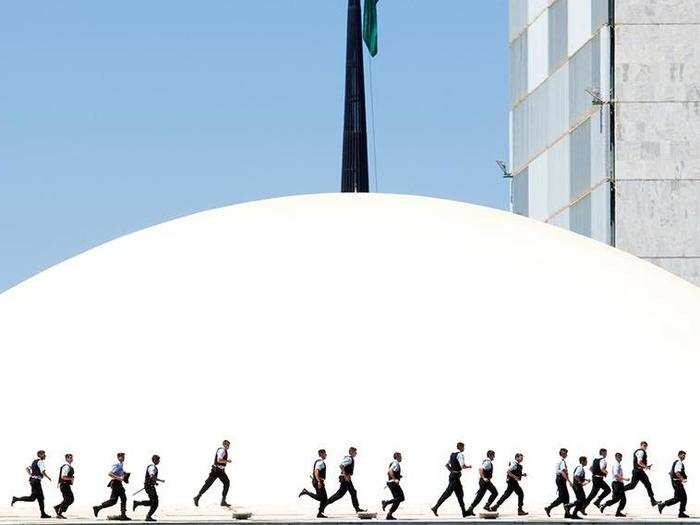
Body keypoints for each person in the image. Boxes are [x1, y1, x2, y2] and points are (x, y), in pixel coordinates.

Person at [431, 442, 472, 517]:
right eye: (463, 447)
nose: (464, 448)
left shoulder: (452, 454)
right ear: (460, 447)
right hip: (455, 478)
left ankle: (464, 512)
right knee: (447, 493)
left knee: (460, 494)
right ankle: (435, 507)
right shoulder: (460, 455)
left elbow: (447, 465)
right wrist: (468, 466)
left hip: (453, 476)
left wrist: (452, 471)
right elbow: (462, 466)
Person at [11, 450, 52, 518]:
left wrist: (31, 475)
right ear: (39, 455)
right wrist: (48, 477)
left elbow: (27, 468)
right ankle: (16, 499)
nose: (45, 456)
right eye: (43, 454)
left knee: (40, 498)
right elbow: (43, 471)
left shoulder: (34, 461)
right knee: (33, 498)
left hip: (33, 481)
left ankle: (43, 514)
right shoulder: (41, 462)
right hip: (36, 482)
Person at [325, 447, 366, 513]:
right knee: (340, 494)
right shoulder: (349, 458)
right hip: (345, 479)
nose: (356, 453)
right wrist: (345, 475)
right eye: (355, 452)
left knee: (353, 492)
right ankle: (324, 504)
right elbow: (341, 465)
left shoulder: (350, 458)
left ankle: (357, 509)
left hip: (347, 478)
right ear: (351, 452)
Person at [194, 440, 232, 507]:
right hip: (216, 470)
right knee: (208, 484)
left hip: (221, 471)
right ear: (224, 444)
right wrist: (227, 461)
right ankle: (197, 497)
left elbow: (220, 461)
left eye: (228, 445)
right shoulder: (222, 450)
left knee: (227, 483)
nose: (227, 446)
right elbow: (219, 460)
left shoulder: (224, 450)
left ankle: (223, 501)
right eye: (226, 445)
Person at [93, 452, 130, 520]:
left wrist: (124, 474)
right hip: (116, 483)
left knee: (118, 499)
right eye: (122, 456)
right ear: (118, 457)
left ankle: (123, 515)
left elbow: (118, 473)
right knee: (117, 500)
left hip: (118, 483)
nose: (123, 458)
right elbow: (110, 473)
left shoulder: (121, 464)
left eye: (124, 457)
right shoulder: (117, 464)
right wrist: (119, 478)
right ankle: (98, 508)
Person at [624, 441, 660, 506]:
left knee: (648, 485)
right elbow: (639, 462)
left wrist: (646, 467)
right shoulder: (641, 452)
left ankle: (653, 500)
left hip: (640, 471)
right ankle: (618, 491)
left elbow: (640, 463)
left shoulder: (642, 452)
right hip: (637, 472)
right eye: (644, 445)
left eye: (646, 446)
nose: (645, 447)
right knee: (632, 486)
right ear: (641, 445)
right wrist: (646, 466)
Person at [465, 450, 499, 516]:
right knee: (494, 492)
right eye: (493, 455)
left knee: (479, 497)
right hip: (484, 482)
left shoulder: (487, 461)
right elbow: (480, 469)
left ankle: (470, 510)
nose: (494, 457)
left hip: (485, 481)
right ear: (490, 455)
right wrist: (484, 478)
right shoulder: (488, 462)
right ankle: (485, 506)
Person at [298, 449, 329, 518]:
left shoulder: (319, 461)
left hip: (318, 481)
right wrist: (318, 481)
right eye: (324, 453)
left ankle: (320, 513)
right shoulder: (320, 462)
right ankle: (306, 492)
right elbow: (316, 472)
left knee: (324, 498)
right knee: (321, 498)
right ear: (321, 454)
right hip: (318, 482)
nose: (326, 455)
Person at [658, 450, 689, 518]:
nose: (684, 457)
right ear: (679, 455)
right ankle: (681, 513)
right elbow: (677, 472)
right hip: (677, 482)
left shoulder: (676, 462)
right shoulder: (679, 462)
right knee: (684, 497)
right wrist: (682, 479)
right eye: (683, 455)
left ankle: (662, 505)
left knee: (677, 498)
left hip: (675, 482)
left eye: (684, 455)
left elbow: (671, 472)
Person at [133, 455, 164, 521]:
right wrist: (160, 480)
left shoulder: (152, 467)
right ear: (155, 460)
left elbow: (151, 478)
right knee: (155, 502)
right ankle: (148, 516)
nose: (159, 461)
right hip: (149, 486)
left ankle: (137, 503)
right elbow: (152, 476)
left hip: (149, 486)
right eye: (158, 460)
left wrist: (155, 483)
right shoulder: (152, 467)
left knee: (152, 502)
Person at [544, 448, 572, 518]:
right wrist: (569, 481)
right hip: (561, 479)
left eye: (566, 453)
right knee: (562, 497)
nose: (566, 454)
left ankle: (567, 513)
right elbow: (563, 472)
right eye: (564, 453)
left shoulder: (562, 461)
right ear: (561, 453)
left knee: (566, 497)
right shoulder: (561, 461)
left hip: (560, 479)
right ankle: (549, 508)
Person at [600, 452, 629, 517]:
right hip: (617, 484)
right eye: (618, 457)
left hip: (618, 484)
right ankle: (616, 511)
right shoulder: (616, 465)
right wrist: (625, 479)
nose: (620, 458)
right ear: (616, 457)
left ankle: (607, 506)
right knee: (621, 499)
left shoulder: (618, 464)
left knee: (618, 499)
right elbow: (616, 474)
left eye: (620, 457)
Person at [381, 452, 404, 520]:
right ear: (397, 457)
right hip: (393, 483)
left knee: (397, 500)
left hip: (391, 483)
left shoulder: (394, 463)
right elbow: (390, 471)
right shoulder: (395, 463)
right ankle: (386, 502)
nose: (401, 458)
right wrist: (395, 479)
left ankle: (389, 515)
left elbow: (391, 472)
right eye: (400, 456)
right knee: (401, 498)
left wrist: (398, 476)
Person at [54, 453, 75, 519]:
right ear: (66, 458)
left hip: (66, 485)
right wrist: (71, 478)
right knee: (68, 499)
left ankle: (57, 507)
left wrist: (71, 479)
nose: (71, 459)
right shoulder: (66, 466)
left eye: (71, 457)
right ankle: (59, 513)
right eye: (69, 457)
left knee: (70, 499)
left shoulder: (69, 466)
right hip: (64, 485)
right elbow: (63, 477)